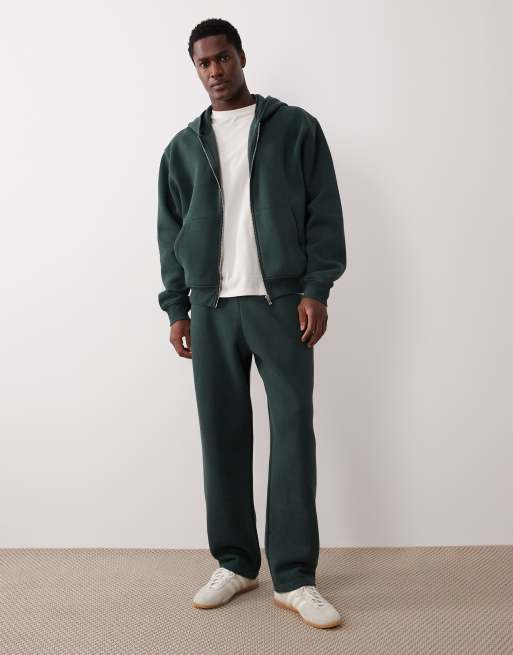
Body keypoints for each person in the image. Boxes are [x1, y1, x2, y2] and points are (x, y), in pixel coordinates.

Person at [157, 18, 347, 630]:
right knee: (222, 433)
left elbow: (324, 212)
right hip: (211, 308)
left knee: (292, 432)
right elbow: (169, 232)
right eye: (204, 63)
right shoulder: (181, 148)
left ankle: (294, 576)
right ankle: (236, 563)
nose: (215, 70)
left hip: (280, 303)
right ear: (195, 69)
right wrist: (177, 307)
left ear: (241, 57)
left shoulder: (295, 128)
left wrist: (316, 288)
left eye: (223, 58)